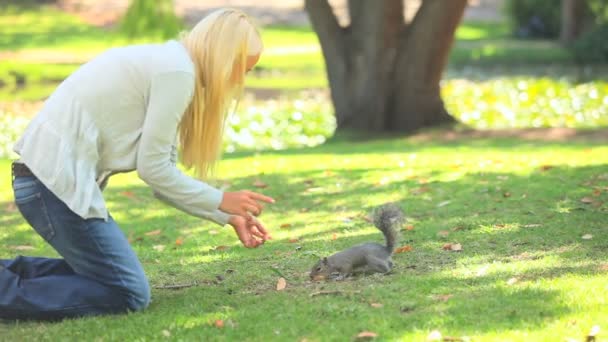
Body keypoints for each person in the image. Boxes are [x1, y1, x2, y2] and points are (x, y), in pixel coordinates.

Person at [0, 8, 274, 321]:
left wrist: (225, 214)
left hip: (46, 185)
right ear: (222, 57)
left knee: (114, 277)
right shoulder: (177, 72)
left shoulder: (173, 65)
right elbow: (154, 171)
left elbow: (162, 172)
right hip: (50, 188)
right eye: (241, 69)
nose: (240, 81)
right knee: (127, 292)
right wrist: (222, 199)